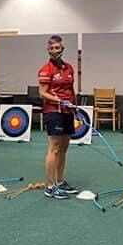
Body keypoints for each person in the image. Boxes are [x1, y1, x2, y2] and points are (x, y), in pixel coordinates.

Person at [38, 34, 78, 199]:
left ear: (62, 49)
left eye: (57, 48)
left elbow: (71, 90)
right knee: (54, 148)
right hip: (53, 111)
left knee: (64, 149)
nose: (55, 51)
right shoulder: (46, 69)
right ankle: (50, 187)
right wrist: (60, 101)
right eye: (52, 48)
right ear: (48, 50)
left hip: (68, 112)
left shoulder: (69, 68)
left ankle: (60, 182)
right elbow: (42, 93)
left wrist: (74, 107)